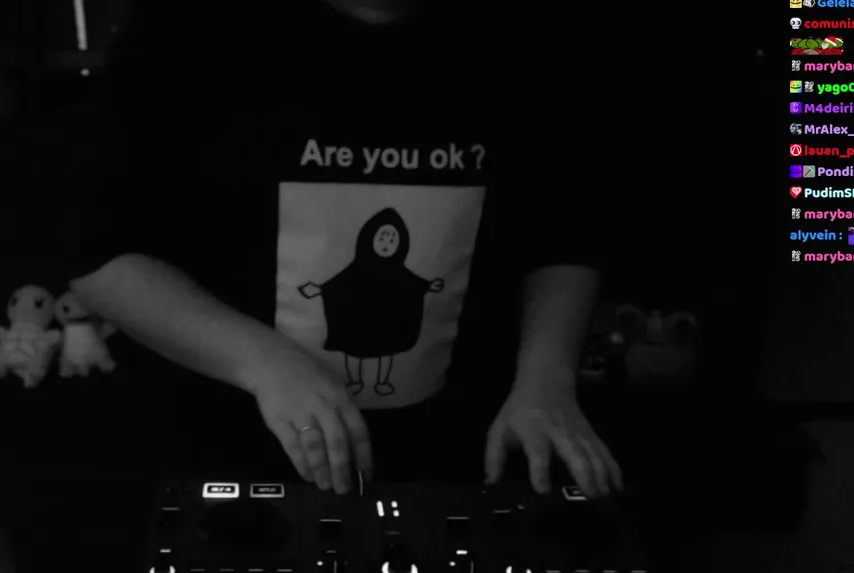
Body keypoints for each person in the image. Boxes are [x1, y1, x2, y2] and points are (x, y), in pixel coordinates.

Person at [44, 0, 622, 500]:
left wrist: (546, 381)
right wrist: (263, 362)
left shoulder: (532, 34)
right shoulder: (184, 29)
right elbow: (98, 257)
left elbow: (564, 231)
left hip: (475, 449)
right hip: (230, 451)